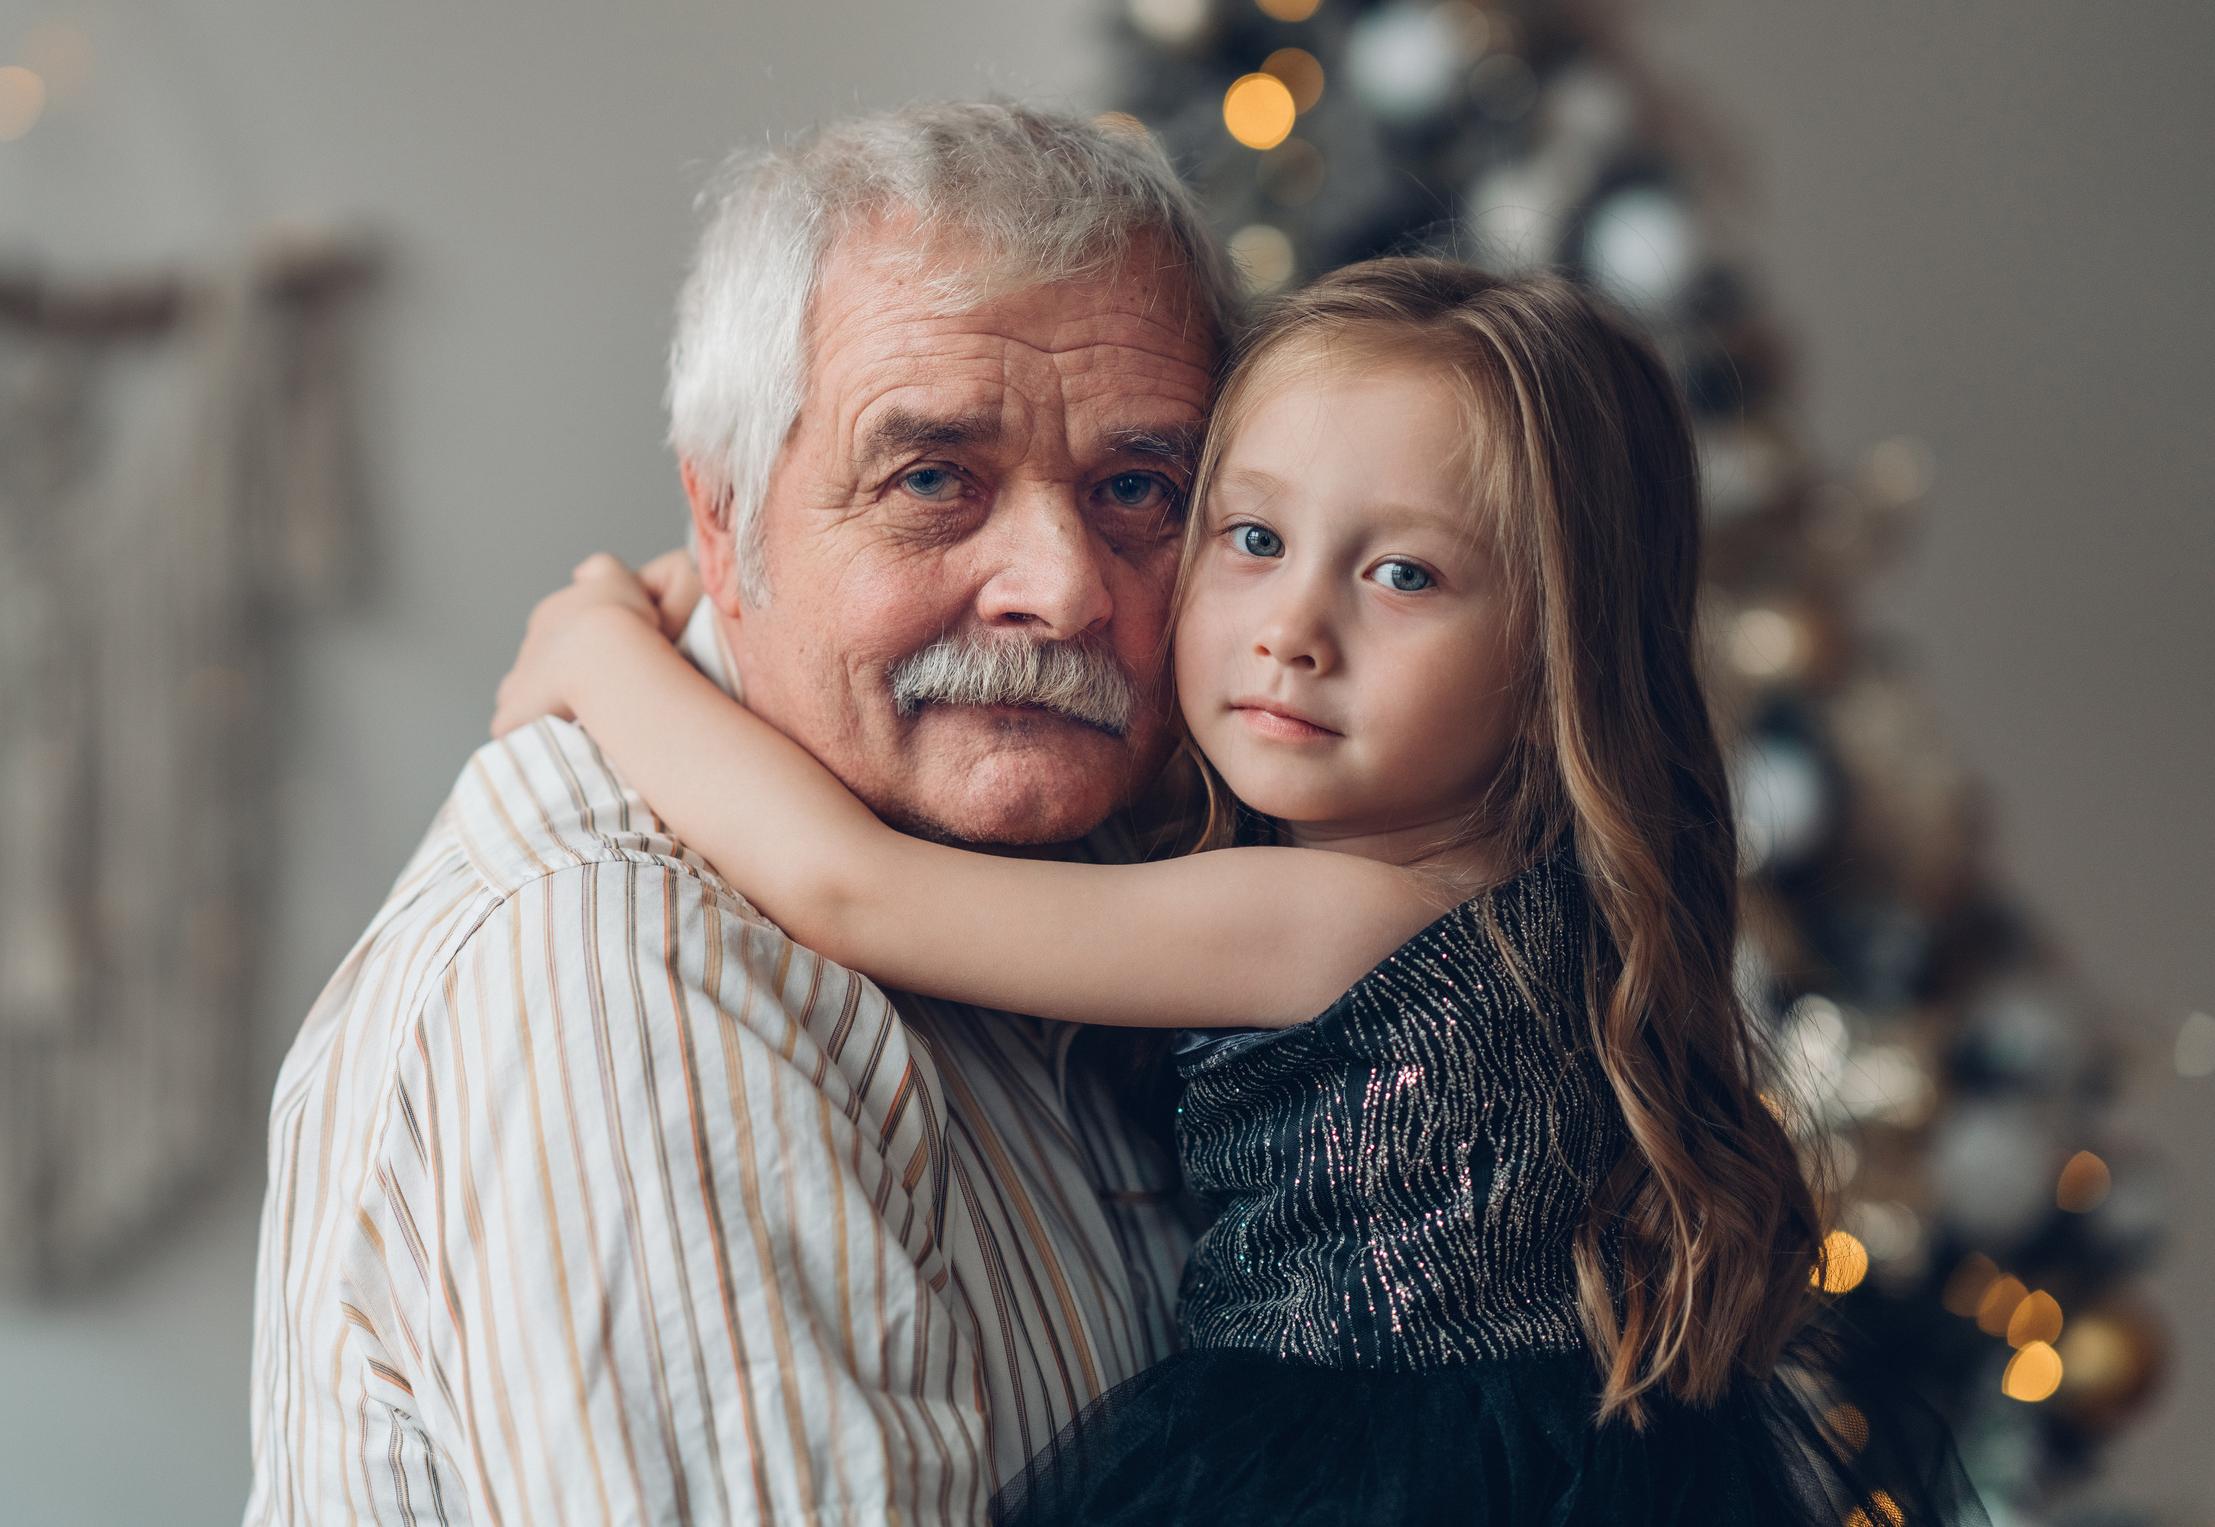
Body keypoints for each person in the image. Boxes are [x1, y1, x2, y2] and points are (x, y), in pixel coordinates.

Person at [490, 259, 1985, 1524]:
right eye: (1253, 540)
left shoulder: (1335, 919)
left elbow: (853, 888)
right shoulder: (1479, 876)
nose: (1293, 631)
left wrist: (599, 653)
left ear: (1555, 659)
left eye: (1403, 576)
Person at [243, 102, 1241, 1526]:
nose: (1063, 588)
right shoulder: (623, 968)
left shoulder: (1118, 863)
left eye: (1139, 487)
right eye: (932, 480)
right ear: (722, 525)